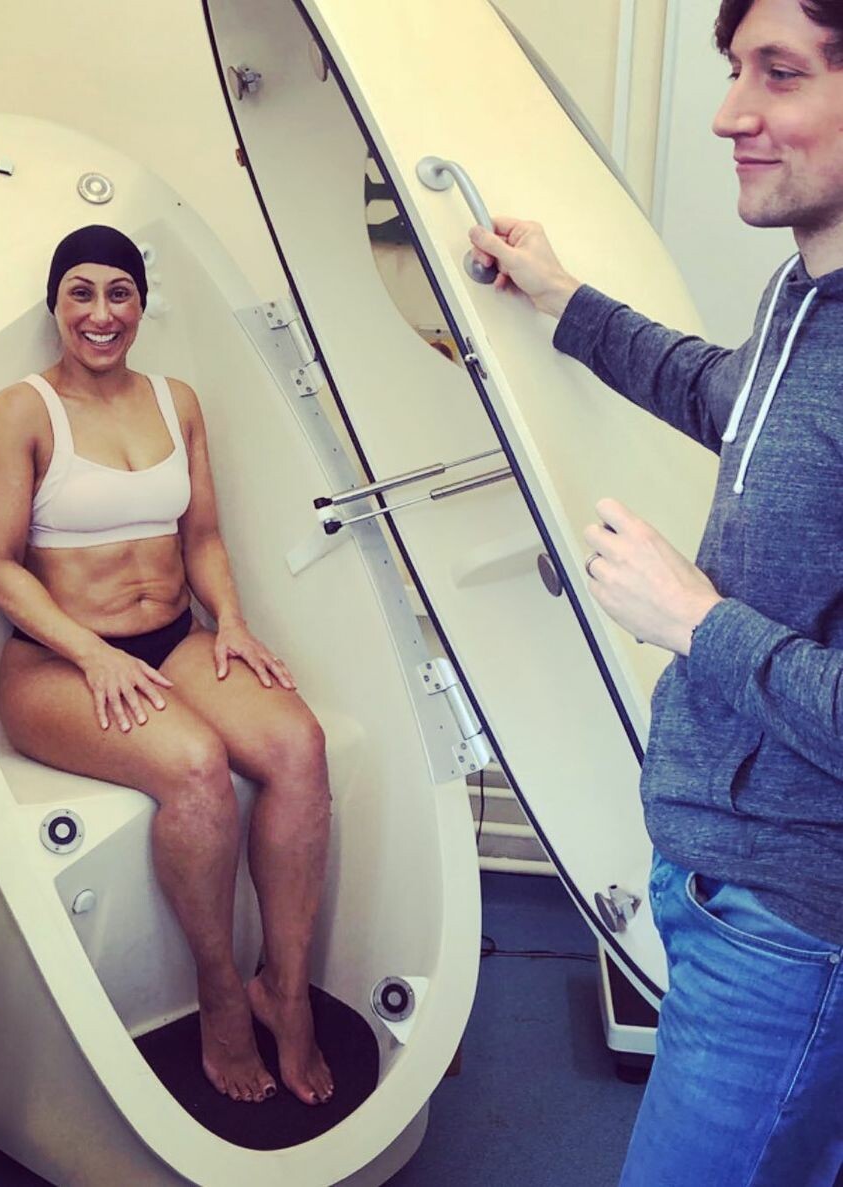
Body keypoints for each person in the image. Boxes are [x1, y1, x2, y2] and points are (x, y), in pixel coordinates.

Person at [470, 0, 842, 1183]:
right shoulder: (803, 299)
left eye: (779, 73)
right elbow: (722, 393)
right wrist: (559, 296)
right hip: (725, 880)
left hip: (794, 922)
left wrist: (695, 620)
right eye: (734, 69)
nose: (730, 114)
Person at [0, 224, 334, 1107]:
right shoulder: (20, 411)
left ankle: (283, 989)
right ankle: (221, 993)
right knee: (197, 767)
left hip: (173, 637)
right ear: (55, 304)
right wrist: (91, 652)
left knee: (299, 746)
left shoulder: (178, 401)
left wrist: (232, 621)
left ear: (140, 304)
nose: (101, 313)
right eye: (81, 292)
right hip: (56, 664)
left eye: (120, 293)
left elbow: (200, 536)